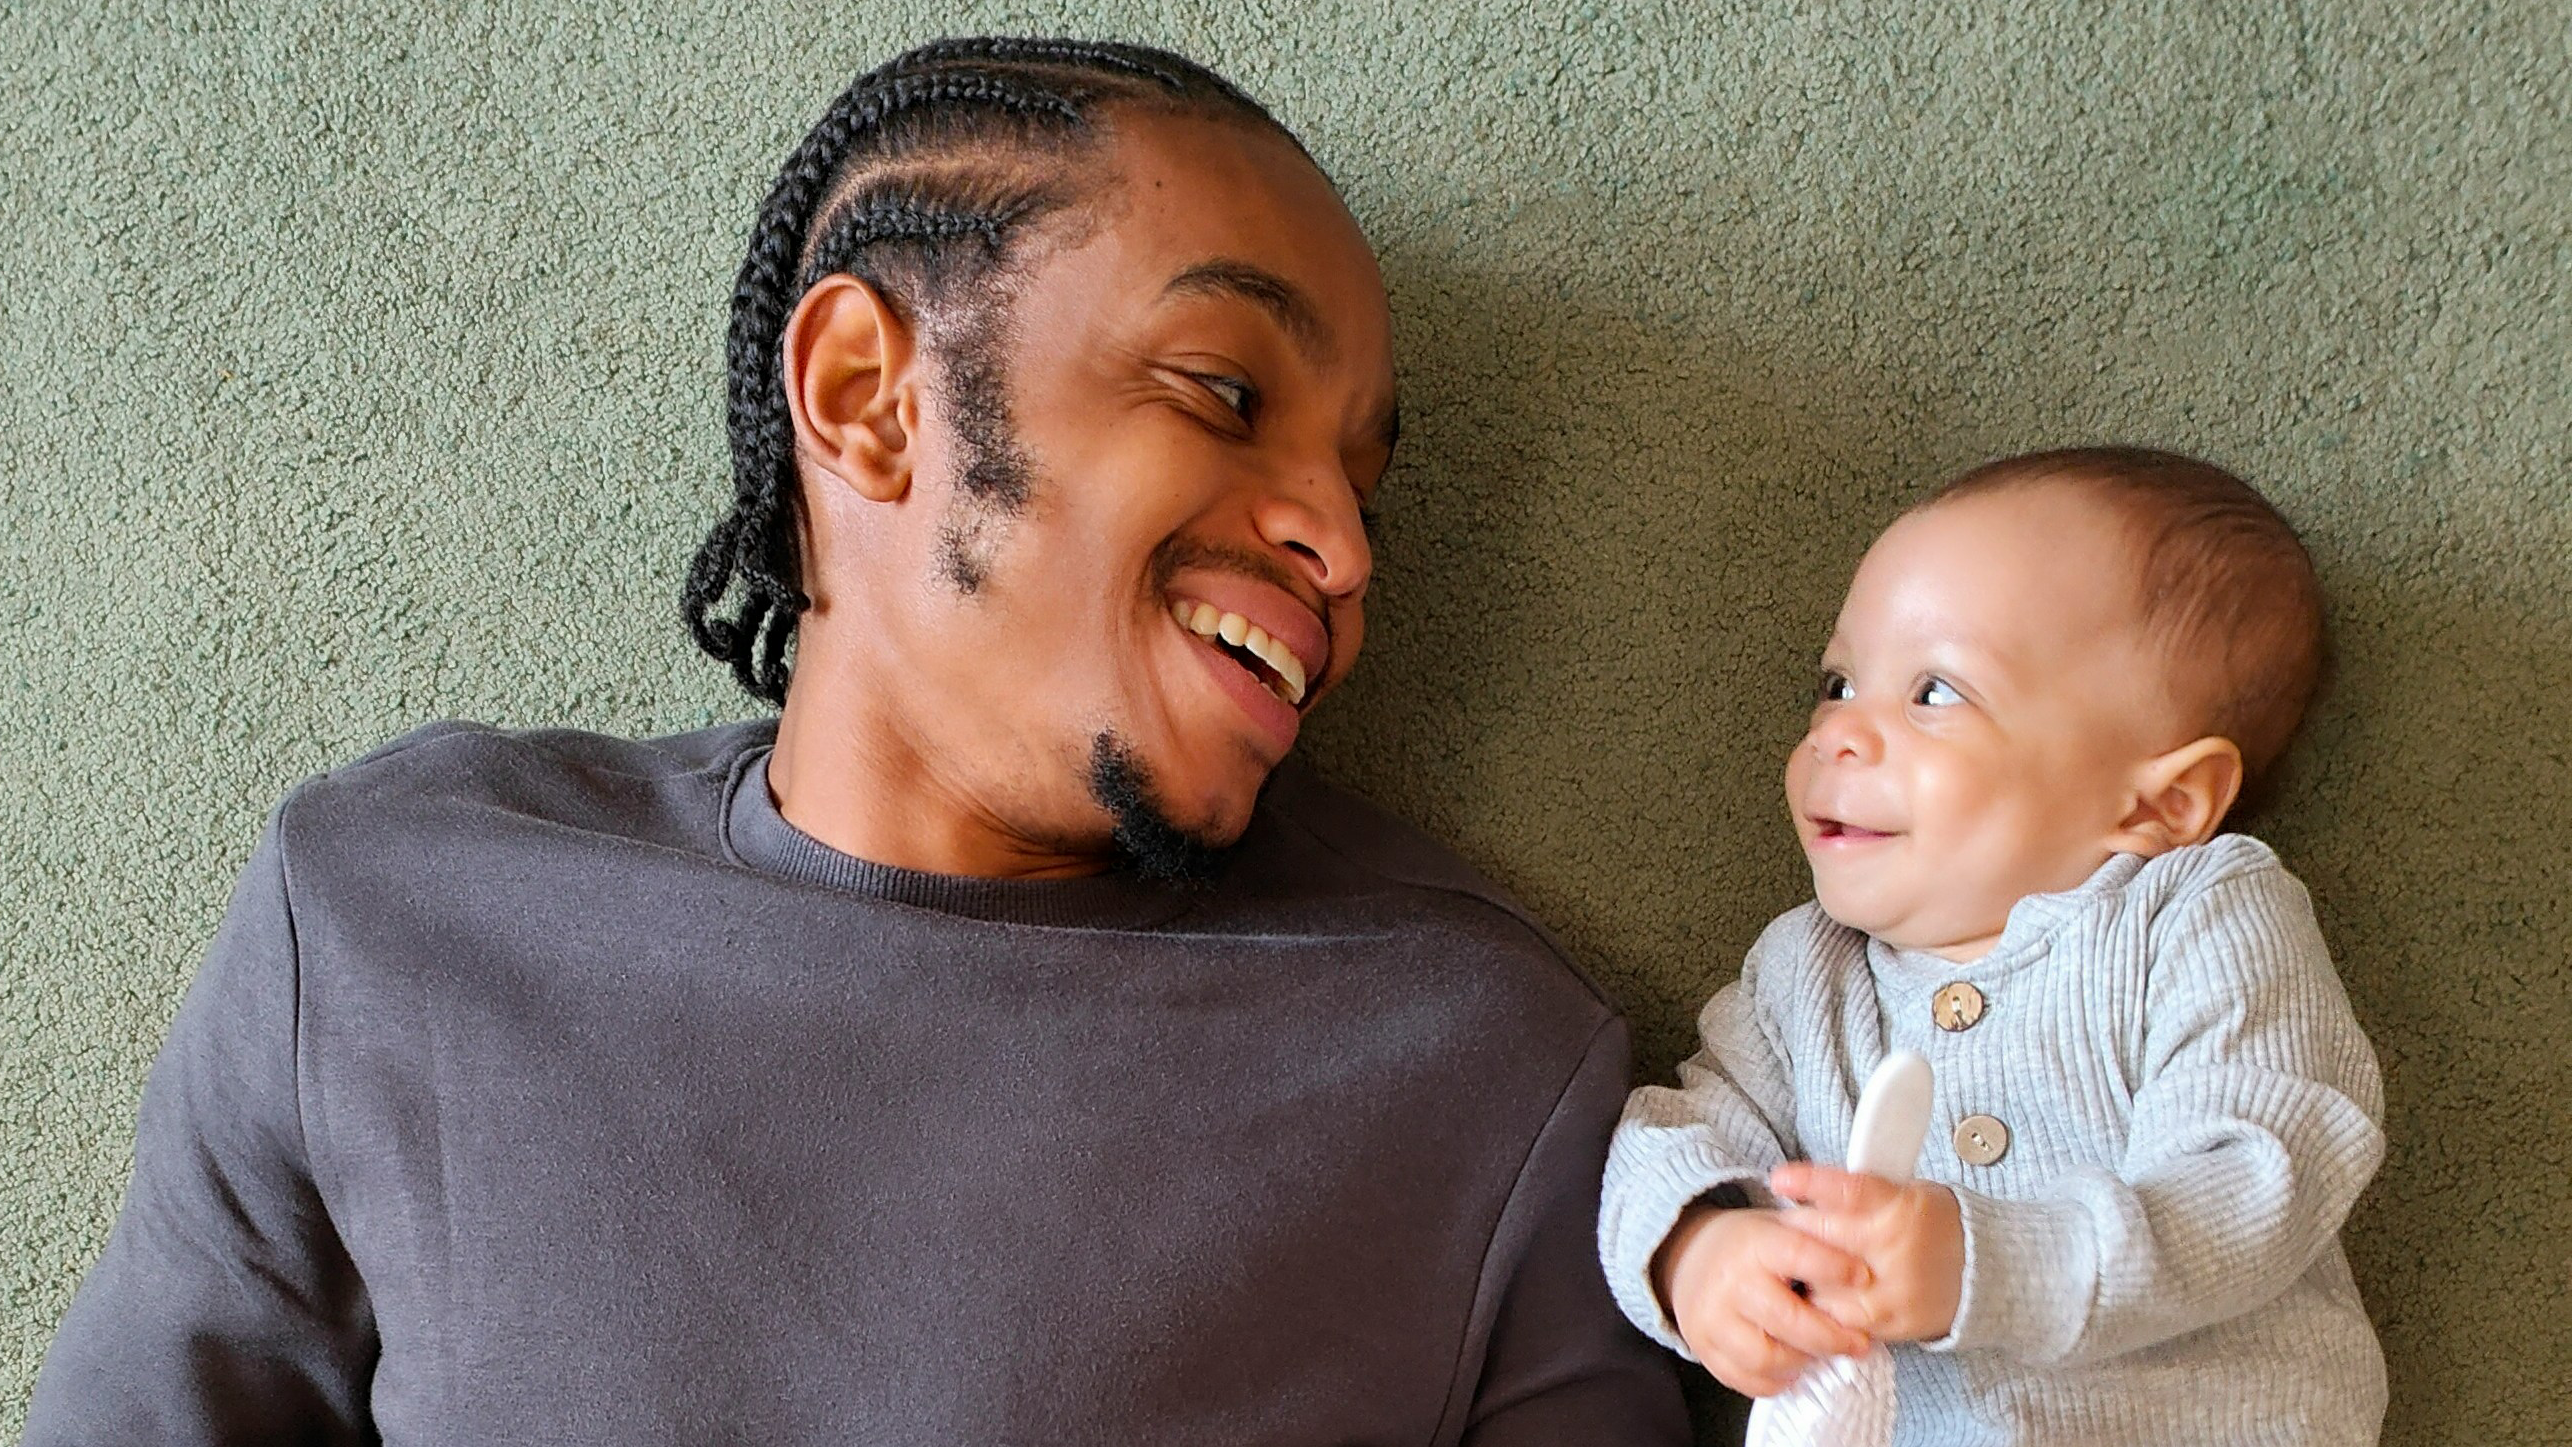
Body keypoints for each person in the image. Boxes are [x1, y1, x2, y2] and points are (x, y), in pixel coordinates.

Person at [28, 39, 1685, 1445]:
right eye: (1222, 391)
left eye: (1363, 476)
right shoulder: (388, 913)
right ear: (866, 395)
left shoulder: (1483, 1069)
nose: (1339, 540)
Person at [1598, 448, 2387, 1443]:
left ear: (2158, 802)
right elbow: (1669, 1134)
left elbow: (2265, 1172)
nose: (1838, 732)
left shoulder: (2196, 917)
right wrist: (1697, 1250)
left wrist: (1985, 1262)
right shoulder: (1802, 978)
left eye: (1934, 693)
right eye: (1838, 680)